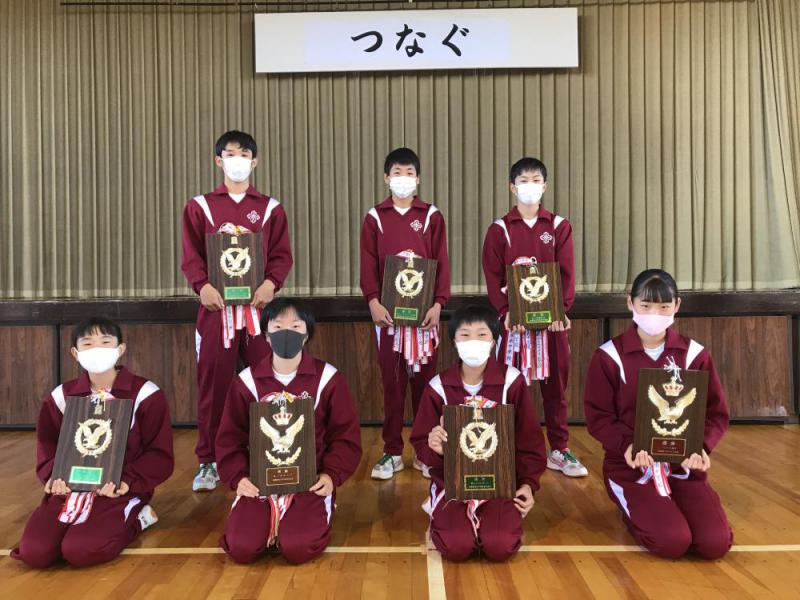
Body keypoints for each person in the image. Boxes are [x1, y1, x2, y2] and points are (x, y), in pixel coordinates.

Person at [583, 269, 732, 559]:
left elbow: (715, 413)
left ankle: (674, 507)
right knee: (672, 541)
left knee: (715, 543)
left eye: (664, 306)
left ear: (677, 305)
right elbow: (599, 416)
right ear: (630, 303)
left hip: (683, 468)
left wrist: (701, 447)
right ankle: (635, 510)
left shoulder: (694, 355)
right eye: (646, 305)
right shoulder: (609, 356)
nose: (655, 314)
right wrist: (627, 446)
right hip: (632, 468)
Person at [12, 317, 174, 568]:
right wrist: (54, 476)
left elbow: (159, 453)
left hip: (118, 490)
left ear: (121, 349)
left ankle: (139, 519)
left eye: (105, 342)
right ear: (75, 353)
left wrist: (127, 481)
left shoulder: (145, 394)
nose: (97, 349)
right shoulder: (61, 397)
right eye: (88, 344)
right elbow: (47, 445)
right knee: (34, 553)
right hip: (70, 488)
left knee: (81, 550)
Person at [182, 130, 293, 491]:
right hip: (216, 313)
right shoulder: (200, 206)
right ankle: (209, 460)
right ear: (219, 160)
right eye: (230, 154)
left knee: (268, 381)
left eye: (244, 154)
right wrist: (203, 286)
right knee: (214, 386)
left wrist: (271, 284)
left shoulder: (270, 208)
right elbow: (192, 256)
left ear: (255, 161)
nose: (238, 160)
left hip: (258, 314)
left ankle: (269, 453)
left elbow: (281, 256)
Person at [216, 298, 362, 564]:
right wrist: (239, 478)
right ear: (266, 335)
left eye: (295, 326)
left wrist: (331, 475)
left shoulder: (328, 378)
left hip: (309, 481)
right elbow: (229, 439)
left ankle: (320, 509)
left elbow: (345, 436)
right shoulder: (246, 382)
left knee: (298, 547)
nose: (286, 333)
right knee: (241, 547)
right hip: (260, 483)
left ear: (307, 334)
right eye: (278, 326)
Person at [410, 304, 547, 561]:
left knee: (500, 546)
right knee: (456, 547)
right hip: (453, 485)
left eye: (482, 334)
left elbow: (530, 441)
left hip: (501, 484)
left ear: (494, 340)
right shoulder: (438, 387)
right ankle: (443, 515)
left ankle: (496, 520)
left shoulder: (512, 382)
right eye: (465, 335)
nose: (473, 341)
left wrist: (528, 485)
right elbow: (421, 443)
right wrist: (435, 450)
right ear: (454, 341)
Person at [481, 156, 587, 478]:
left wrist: (561, 310)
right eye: (523, 181)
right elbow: (493, 276)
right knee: (509, 385)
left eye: (536, 180)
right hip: (514, 324)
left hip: (551, 323)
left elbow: (567, 274)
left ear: (545, 186)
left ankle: (559, 448)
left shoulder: (558, 226)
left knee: (556, 388)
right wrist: (505, 311)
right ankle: (507, 446)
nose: (530, 186)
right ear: (512, 187)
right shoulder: (500, 230)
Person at [360, 147, 450, 480]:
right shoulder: (375, 217)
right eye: (397, 173)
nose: (403, 179)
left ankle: (425, 452)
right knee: (393, 386)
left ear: (418, 178)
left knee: (425, 387)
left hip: (425, 317)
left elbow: (442, 262)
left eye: (409, 173)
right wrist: (373, 301)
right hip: (388, 319)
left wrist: (438, 303)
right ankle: (392, 451)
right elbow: (368, 263)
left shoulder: (431, 216)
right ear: (386, 178)